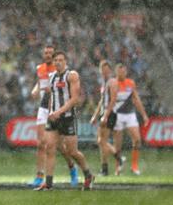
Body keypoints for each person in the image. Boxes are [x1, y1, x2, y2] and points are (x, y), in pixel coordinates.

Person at [35, 51, 94, 191]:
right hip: (54, 118)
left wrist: (59, 112)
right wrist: (50, 112)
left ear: (65, 61)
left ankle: (88, 174)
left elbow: (75, 99)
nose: (58, 62)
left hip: (67, 118)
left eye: (60, 60)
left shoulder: (72, 75)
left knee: (72, 152)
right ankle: (48, 183)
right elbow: (52, 97)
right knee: (49, 148)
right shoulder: (52, 76)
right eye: (56, 60)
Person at [29, 45, 78, 187]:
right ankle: (39, 176)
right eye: (46, 53)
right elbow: (40, 83)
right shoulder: (40, 68)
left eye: (51, 53)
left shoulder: (58, 69)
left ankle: (72, 168)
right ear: (44, 55)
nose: (48, 55)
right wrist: (35, 90)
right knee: (40, 144)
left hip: (57, 108)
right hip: (44, 107)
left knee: (60, 147)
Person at [106, 63, 149, 175]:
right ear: (116, 72)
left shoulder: (130, 83)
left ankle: (134, 166)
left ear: (126, 72)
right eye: (119, 71)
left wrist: (144, 115)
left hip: (130, 114)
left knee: (137, 140)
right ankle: (118, 166)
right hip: (117, 115)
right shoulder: (113, 83)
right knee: (118, 144)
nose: (122, 73)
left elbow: (136, 99)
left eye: (124, 71)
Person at [89, 60, 121, 176]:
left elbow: (113, 100)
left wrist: (106, 115)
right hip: (104, 112)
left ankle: (111, 163)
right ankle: (112, 162)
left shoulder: (112, 82)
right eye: (102, 69)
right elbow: (102, 101)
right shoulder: (104, 83)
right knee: (101, 141)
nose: (104, 72)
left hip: (110, 113)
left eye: (106, 69)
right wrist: (95, 115)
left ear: (110, 70)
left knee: (102, 141)